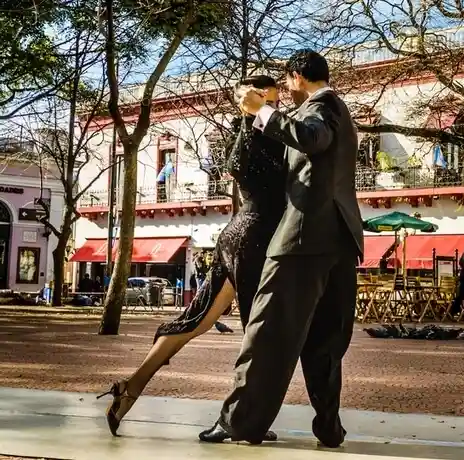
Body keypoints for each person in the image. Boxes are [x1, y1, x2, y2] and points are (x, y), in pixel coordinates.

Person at [97, 75, 288, 440]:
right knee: (259, 334)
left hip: (239, 236)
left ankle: (130, 388)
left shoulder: (245, 136)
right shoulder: (265, 137)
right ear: (257, 99)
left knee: (196, 321)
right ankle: (244, 419)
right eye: (271, 100)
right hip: (255, 240)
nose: (276, 107)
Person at [198, 49, 364, 447]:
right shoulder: (341, 110)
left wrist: (262, 111)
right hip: (340, 240)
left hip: (302, 240)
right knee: (326, 341)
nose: (287, 92)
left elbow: (311, 138)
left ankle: (239, 422)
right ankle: (329, 427)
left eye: (288, 83)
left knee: (266, 332)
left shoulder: (319, 108)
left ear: (297, 77)